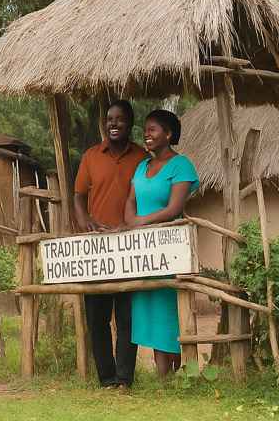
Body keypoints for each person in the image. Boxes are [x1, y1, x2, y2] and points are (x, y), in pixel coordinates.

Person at [74, 99, 146, 388]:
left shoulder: (142, 157)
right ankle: (106, 378)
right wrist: (85, 220)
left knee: (128, 317)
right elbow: (78, 196)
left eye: (119, 119)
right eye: (109, 119)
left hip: (131, 247)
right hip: (97, 248)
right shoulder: (91, 156)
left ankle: (125, 378)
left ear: (130, 123)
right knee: (97, 318)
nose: (113, 124)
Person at [125, 109, 199, 377]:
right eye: (145, 129)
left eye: (153, 129)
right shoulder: (141, 167)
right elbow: (130, 201)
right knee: (150, 307)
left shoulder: (181, 165)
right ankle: (162, 375)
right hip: (143, 250)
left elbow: (173, 208)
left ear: (168, 134)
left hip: (169, 249)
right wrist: (131, 221)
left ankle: (181, 370)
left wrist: (141, 222)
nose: (146, 134)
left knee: (169, 309)